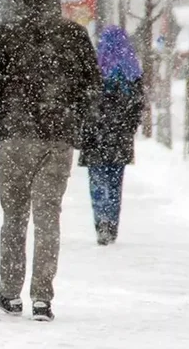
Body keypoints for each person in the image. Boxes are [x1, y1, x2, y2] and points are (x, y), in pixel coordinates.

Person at [0, 0, 102, 321]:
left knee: (14, 216)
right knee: (49, 218)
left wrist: (15, 94)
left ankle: (9, 292)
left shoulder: (7, 33)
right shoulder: (74, 35)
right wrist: (65, 103)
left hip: (16, 136)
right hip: (58, 138)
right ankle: (42, 297)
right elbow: (92, 86)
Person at [78, 25, 144, 245]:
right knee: (116, 182)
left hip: (95, 134)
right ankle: (112, 224)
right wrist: (129, 127)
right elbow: (137, 104)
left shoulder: (96, 65)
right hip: (120, 136)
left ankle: (100, 222)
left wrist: (86, 124)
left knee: (97, 180)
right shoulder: (132, 69)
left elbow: (84, 101)